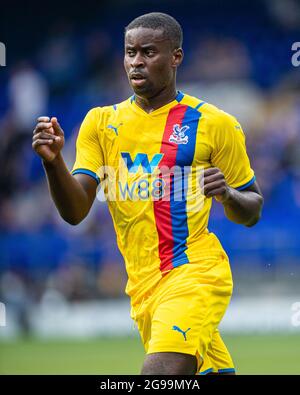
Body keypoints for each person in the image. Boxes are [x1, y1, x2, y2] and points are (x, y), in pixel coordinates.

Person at [32, 12, 263, 375]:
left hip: (194, 272)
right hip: (142, 288)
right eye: (130, 52)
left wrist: (229, 196)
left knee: (159, 375)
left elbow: (252, 209)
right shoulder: (100, 123)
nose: (136, 61)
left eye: (149, 52)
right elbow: (76, 212)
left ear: (176, 57)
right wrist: (53, 163)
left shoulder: (214, 123)